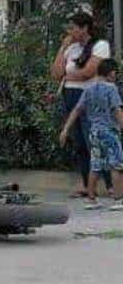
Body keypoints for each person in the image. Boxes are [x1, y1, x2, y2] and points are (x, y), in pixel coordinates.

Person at [51, 11, 112, 198]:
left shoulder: (99, 45)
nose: (70, 32)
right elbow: (56, 72)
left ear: (85, 28)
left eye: (74, 28)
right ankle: (87, 185)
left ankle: (110, 184)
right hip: (70, 95)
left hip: (90, 95)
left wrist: (68, 75)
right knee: (80, 143)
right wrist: (62, 48)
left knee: (93, 138)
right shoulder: (72, 48)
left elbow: (89, 72)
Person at [59, 58, 123, 209]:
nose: (116, 76)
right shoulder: (111, 88)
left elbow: (77, 110)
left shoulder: (88, 89)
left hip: (94, 132)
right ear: (111, 73)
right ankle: (119, 199)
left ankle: (91, 199)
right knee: (116, 165)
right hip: (110, 131)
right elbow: (117, 110)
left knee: (95, 165)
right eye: (115, 73)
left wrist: (65, 129)